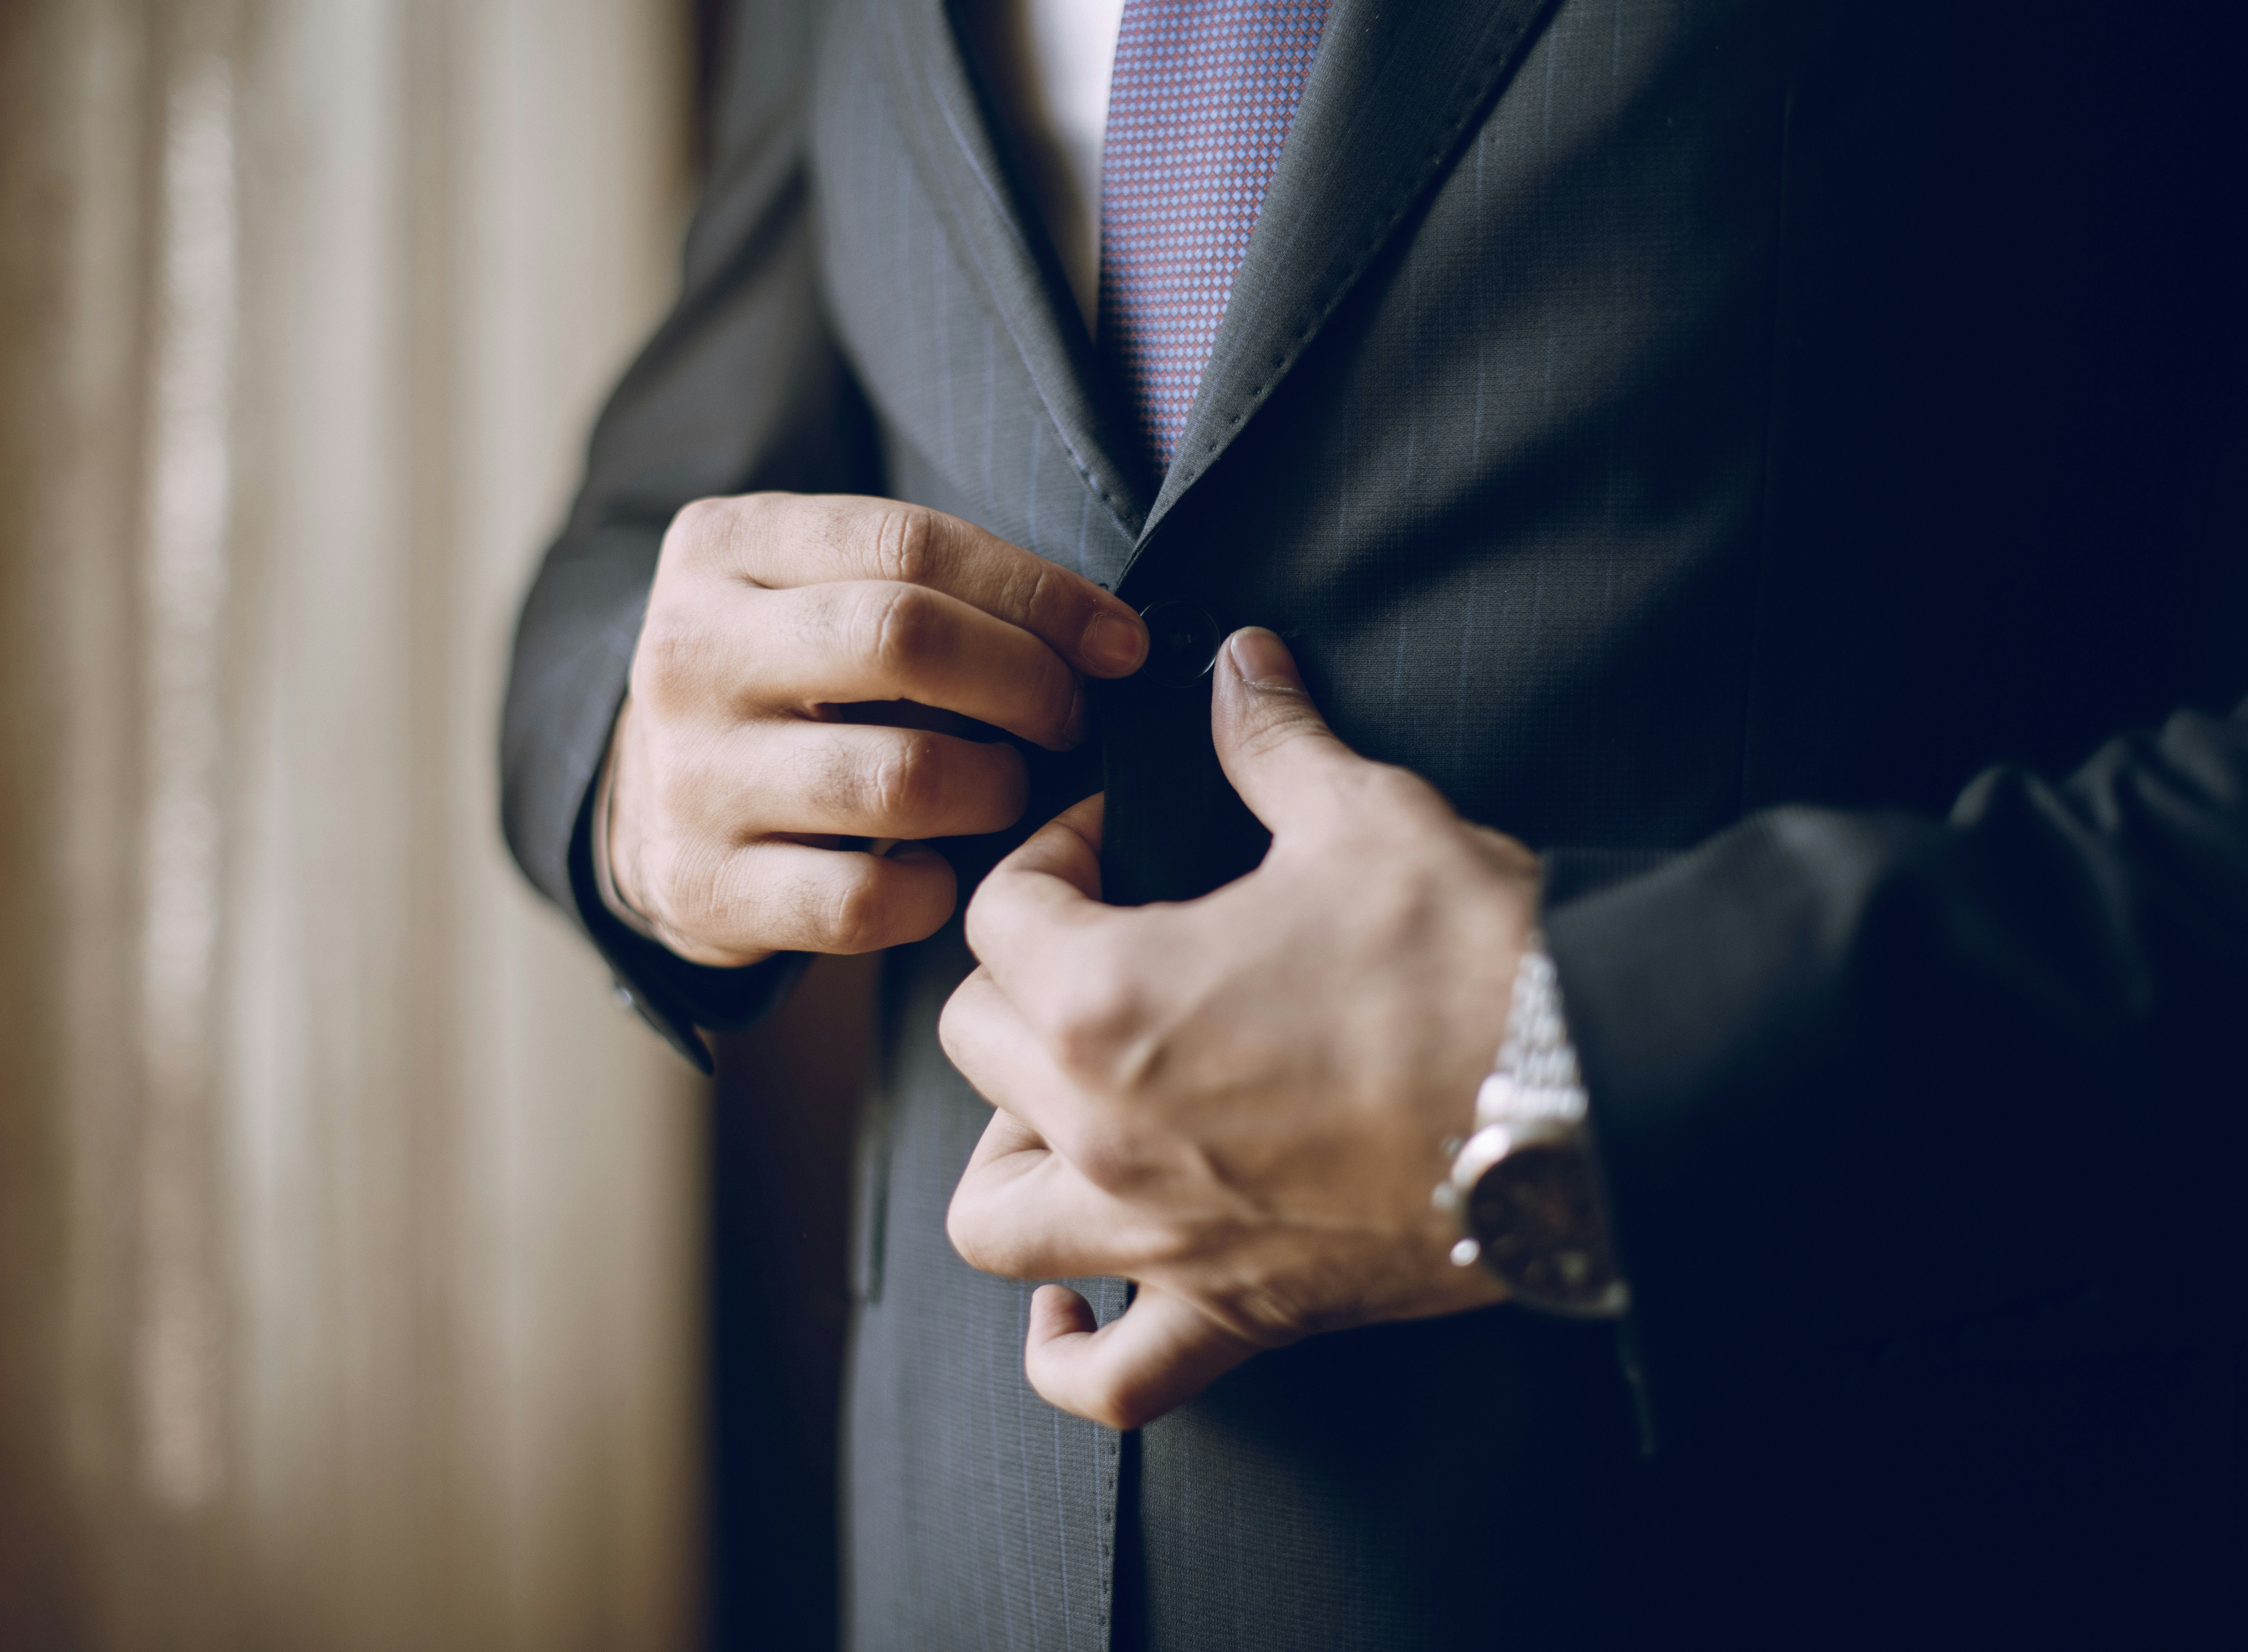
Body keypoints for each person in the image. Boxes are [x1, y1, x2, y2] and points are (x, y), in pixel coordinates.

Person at [501, 0, 2246, 1645]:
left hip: (1822, 1537)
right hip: (966, 1567)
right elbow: (637, 538)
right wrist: (643, 782)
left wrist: (1589, 1081)